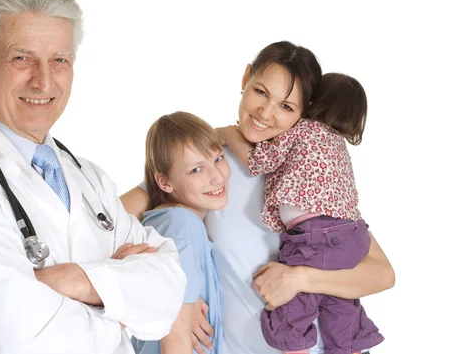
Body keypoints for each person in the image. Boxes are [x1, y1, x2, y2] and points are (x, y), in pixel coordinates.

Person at [0, 0, 186, 354]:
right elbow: (21, 338)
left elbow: (169, 291)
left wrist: (75, 280)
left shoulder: (90, 178)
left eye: (59, 60)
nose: (43, 81)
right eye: (22, 58)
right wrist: (119, 308)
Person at [120, 41, 395, 354]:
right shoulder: (210, 166)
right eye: (261, 92)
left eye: (287, 107)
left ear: (304, 115)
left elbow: (381, 274)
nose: (266, 113)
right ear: (245, 78)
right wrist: (179, 288)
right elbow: (110, 219)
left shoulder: (311, 176)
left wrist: (299, 279)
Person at [218, 72, 384, 353]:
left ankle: (295, 347)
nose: (269, 112)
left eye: (287, 106)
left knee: (294, 306)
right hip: (351, 232)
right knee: (341, 303)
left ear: (309, 105)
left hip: (315, 232)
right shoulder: (338, 146)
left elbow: (259, 160)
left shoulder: (302, 131)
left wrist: (226, 133)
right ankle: (350, 346)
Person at [131, 112, 227, 354]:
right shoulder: (183, 224)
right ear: (164, 182)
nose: (216, 177)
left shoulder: (168, 222)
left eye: (218, 159)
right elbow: (175, 340)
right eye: (196, 170)